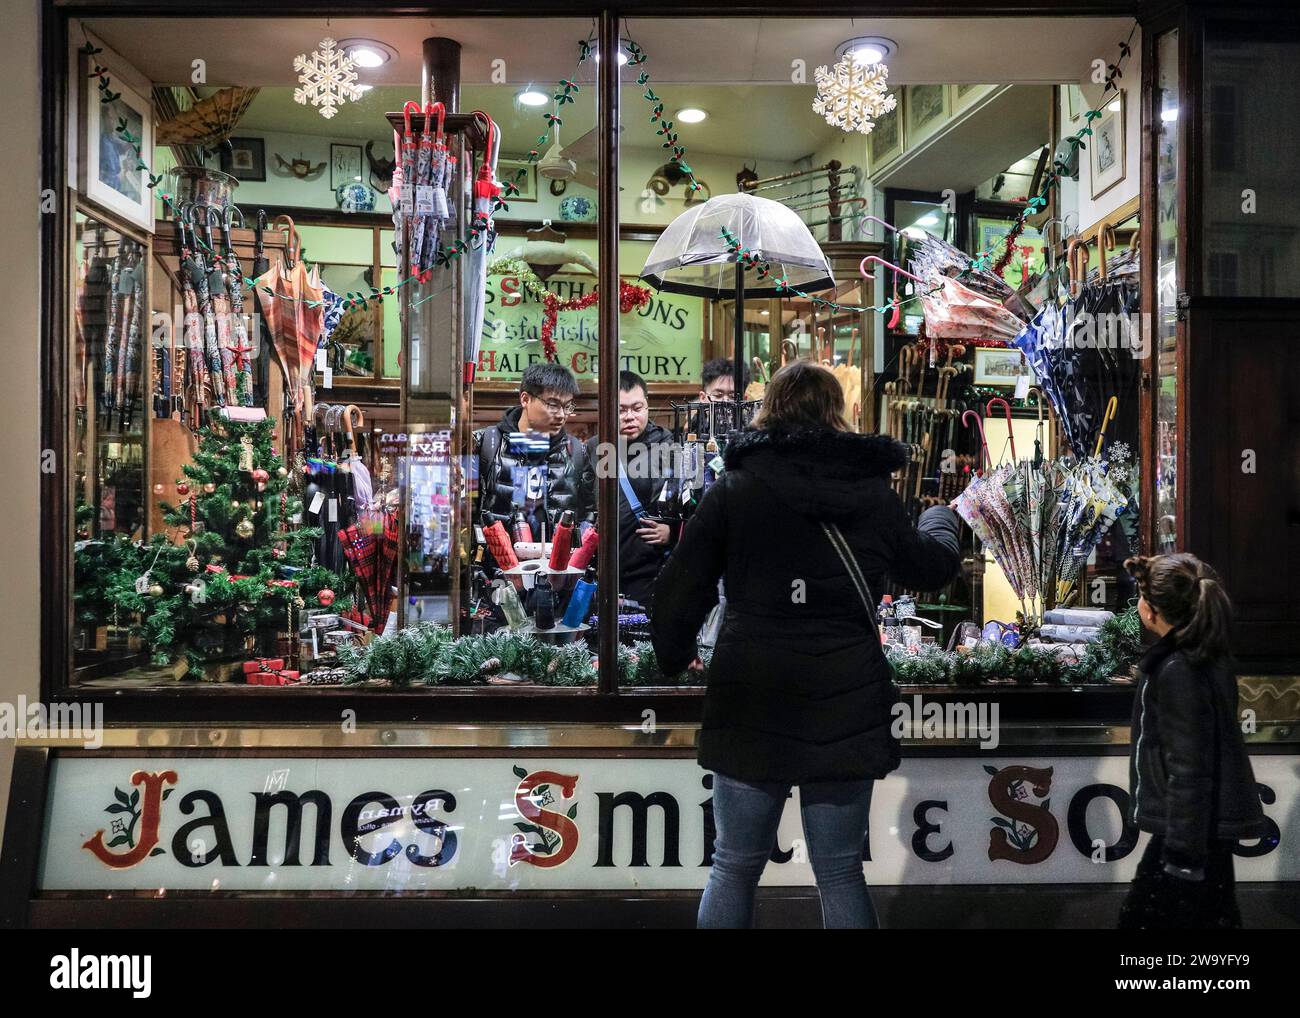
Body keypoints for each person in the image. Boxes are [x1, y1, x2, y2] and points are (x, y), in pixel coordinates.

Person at [650, 361, 961, 929]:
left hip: (752, 693)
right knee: (840, 871)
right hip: (845, 695)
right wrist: (942, 519)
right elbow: (930, 568)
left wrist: (672, 655)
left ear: (768, 409)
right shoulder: (873, 495)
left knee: (733, 867)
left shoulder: (735, 490)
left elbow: (681, 584)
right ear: (835, 412)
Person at [1118, 553, 1266, 930]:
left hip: (1187, 834)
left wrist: (1183, 855)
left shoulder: (1178, 669)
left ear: (1151, 611)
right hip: (1199, 830)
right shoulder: (1203, 655)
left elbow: (1189, 768)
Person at [582, 371, 676, 610]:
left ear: (647, 405)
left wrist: (672, 530)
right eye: (621, 410)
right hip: (601, 568)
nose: (630, 417)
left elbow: (686, 501)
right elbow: (582, 501)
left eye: (637, 408)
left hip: (648, 570)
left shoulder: (666, 444)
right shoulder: (595, 446)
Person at [475, 362, 592, 537]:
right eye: (553, 404)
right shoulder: (487, 443)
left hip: (558, 562)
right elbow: (465, 513)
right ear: (525, 399)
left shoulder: (575, 451)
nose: (561, 414)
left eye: (567, 406)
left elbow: (590, 514)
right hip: (499, 561)